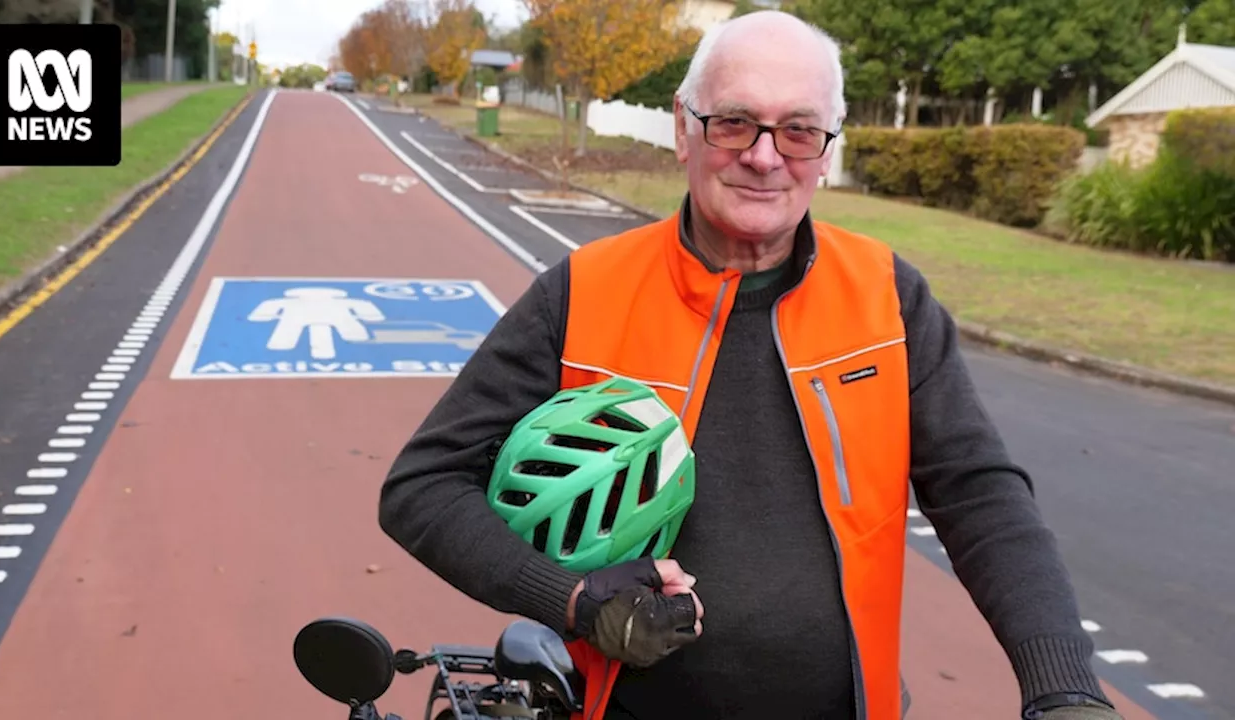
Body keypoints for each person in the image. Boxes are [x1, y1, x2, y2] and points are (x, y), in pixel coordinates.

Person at [379, 10, 1124, 720]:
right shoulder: (583, 293)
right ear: (683, 128)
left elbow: (979, 495)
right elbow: (423, 486)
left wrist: (1061, 686)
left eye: (798, 131)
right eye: (734, 122)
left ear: (827, 150)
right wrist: (574, 600)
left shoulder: (888, 298)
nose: (765, 156)